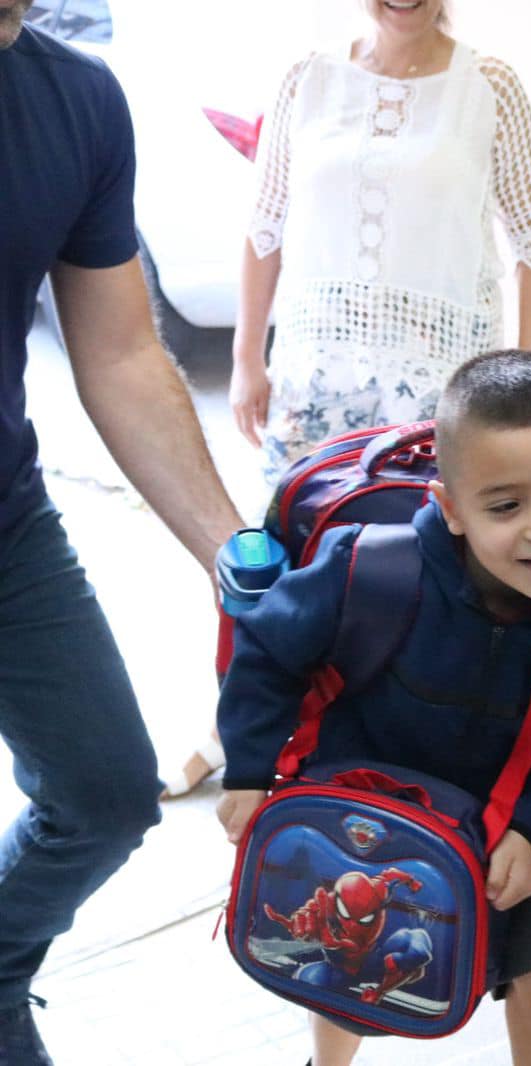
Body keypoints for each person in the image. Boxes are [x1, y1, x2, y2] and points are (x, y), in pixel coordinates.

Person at [165, 0, 531, 796]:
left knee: (418, 577)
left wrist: (525, 384)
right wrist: (249, 355)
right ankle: (236, 725)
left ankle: (386, 751)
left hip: (438, 391)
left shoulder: (489, 85)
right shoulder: (306, 80)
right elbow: (266, 224)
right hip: (317, 380)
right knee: (283, 568)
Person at [215, 350, 531, 1066]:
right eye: (506, 505)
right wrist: (247, 769)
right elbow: (268, 650)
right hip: (364, 810)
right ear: (451, 508)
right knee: (343, 975)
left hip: (505, 820)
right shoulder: (367, 566)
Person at [0, 7, 245, 1063]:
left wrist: (234, 554)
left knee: (103, 790)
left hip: (5, 518)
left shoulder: (77, 99)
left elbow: (124, 354)